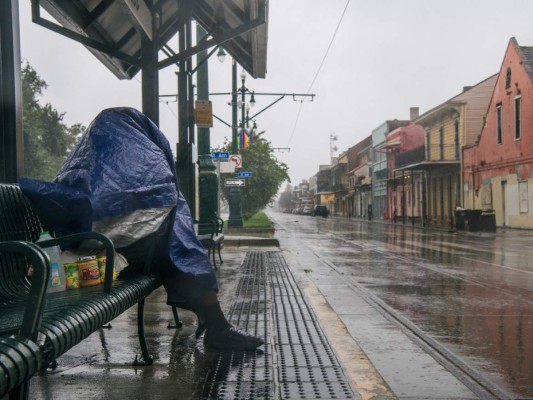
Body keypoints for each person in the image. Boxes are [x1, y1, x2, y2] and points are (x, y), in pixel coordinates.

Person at [19, 108, 263, 351]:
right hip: (116, 256)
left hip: (98, 252)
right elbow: (165, 189)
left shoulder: (86, 160)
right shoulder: (137, 158)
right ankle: (217, 326)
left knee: (172, 245)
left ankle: (216, 324)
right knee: (177, 245)